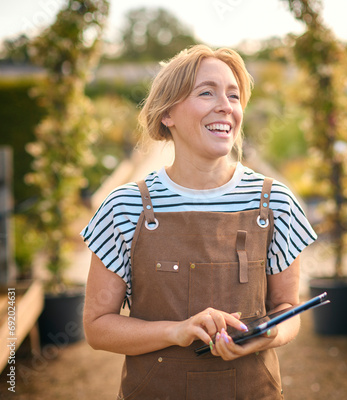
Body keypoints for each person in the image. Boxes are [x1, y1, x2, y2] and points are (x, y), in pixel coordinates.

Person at [82, 44, 317, 399]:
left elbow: (288, 310)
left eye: (234, 95)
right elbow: (97, 328)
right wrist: (177, 331)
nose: (226, 105)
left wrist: (266, 334)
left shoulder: (276, 202)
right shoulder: (124, 206)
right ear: (167, 114)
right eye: (206, 92)